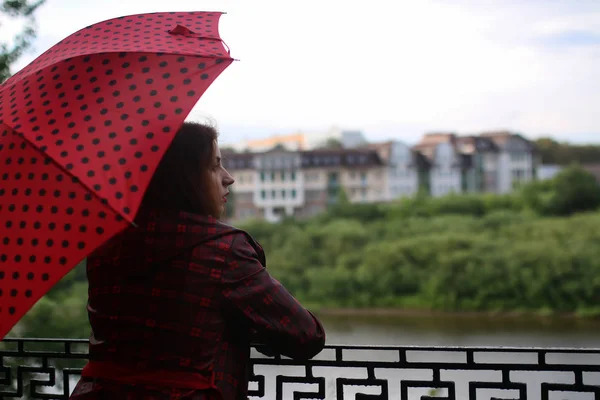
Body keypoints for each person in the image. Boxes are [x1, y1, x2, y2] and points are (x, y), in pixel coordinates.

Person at [69, 121, 326, 400]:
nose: (229, 178)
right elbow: (306, 335)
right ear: (184, 178)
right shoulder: (222, 249)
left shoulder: (106, 244)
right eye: (215, 166)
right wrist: (244, 325)